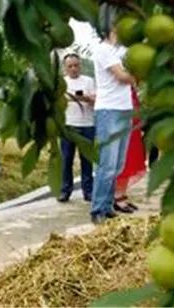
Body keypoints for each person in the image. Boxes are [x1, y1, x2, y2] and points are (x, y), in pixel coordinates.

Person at [90, 11, 136, 225]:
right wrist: (140, 73)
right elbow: (123, 76)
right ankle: (98, 208)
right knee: (107, 164)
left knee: (117, 164)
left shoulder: (121, 51)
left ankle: (107, 206)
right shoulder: (103, 49)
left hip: (124, 109)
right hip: (109, 110)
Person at [57, 53, 96, 203]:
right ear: (65, 68)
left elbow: (95, 100)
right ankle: (65, 190)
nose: (73, 68)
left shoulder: (88, 81)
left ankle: (88, 191)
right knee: (66, 160)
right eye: (70, 66)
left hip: (87, 124)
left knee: (87, 160)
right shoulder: (61, 83)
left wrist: (85, 98)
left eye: (76, 65)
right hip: (68, 126)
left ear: (80, 65)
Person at [114, 88, 146, 213]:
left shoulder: (131, 90)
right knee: (124, 165)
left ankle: (122, 195)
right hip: (123, 132)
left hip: (134, 132)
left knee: (131, 164)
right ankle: (117, 198)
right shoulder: (116, 91)